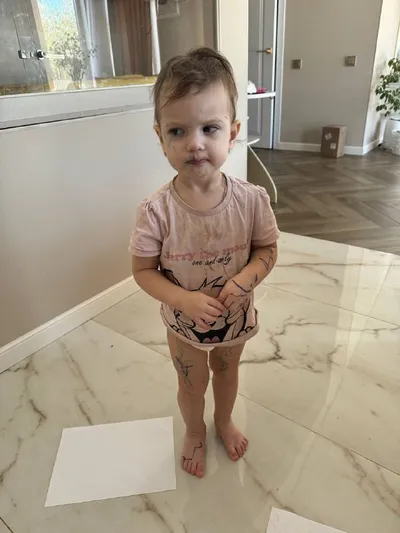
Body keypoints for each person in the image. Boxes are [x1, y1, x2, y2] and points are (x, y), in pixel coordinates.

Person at [130, 47, 279, 478]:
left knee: (227, 374)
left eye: (209, 128)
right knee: (192, 382)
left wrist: (245, 280)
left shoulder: (252, 200)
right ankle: (195, 430)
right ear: (160, 138)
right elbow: (142, 270)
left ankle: (224, 420)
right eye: (178, 131)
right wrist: (183, 300)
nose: (194, 143)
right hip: (185, 325)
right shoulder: (156, 212)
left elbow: (267, 250)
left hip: (235, 318)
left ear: (232, 133)